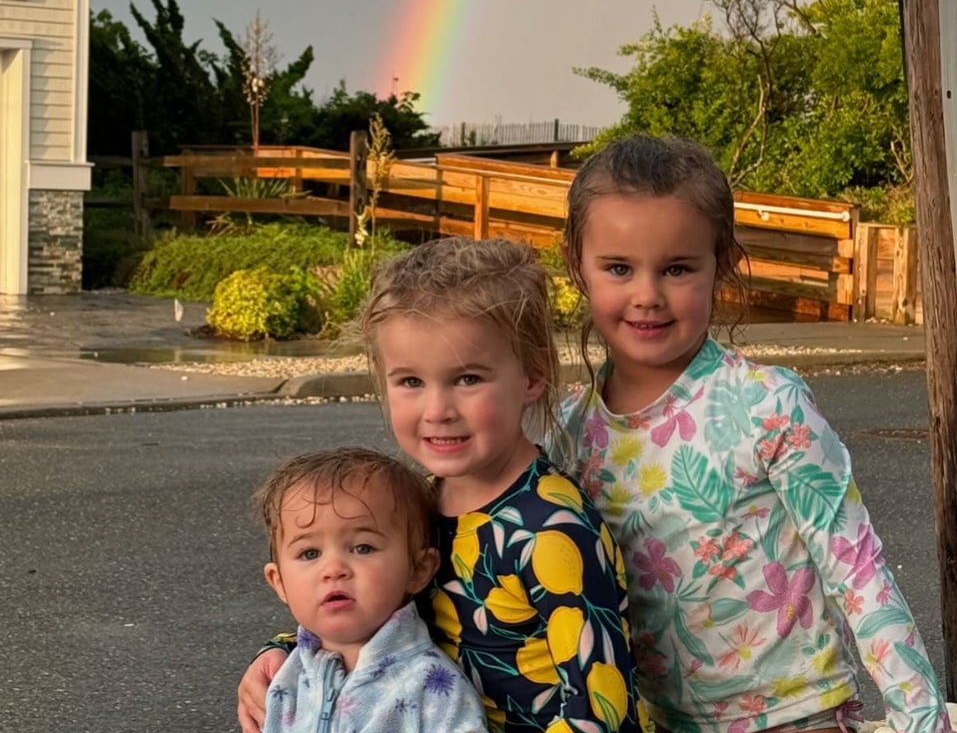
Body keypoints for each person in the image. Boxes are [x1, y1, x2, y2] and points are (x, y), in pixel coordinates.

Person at [557, 133, 952, 733]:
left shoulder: (767, 404)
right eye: (618, 268)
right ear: (575, 266)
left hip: (796, 716)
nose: (647, 295)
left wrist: (921, 716)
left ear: (722, 263)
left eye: (677, 268)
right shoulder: (571, 434)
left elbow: (855, 565)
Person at [239, 238, 646, 733]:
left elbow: (602, 712)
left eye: (468, 378)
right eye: (411, 382)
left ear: (533, 375)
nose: (437, 411)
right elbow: (374, 608)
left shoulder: (551, 532)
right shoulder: (418, 500)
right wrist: (283, 651)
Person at [253, 446, 488, 733]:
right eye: (310, 553)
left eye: (363, 548)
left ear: (419, 569)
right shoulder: (285, 678)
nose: (333, 569)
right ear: (279, 582)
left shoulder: (431, 686)